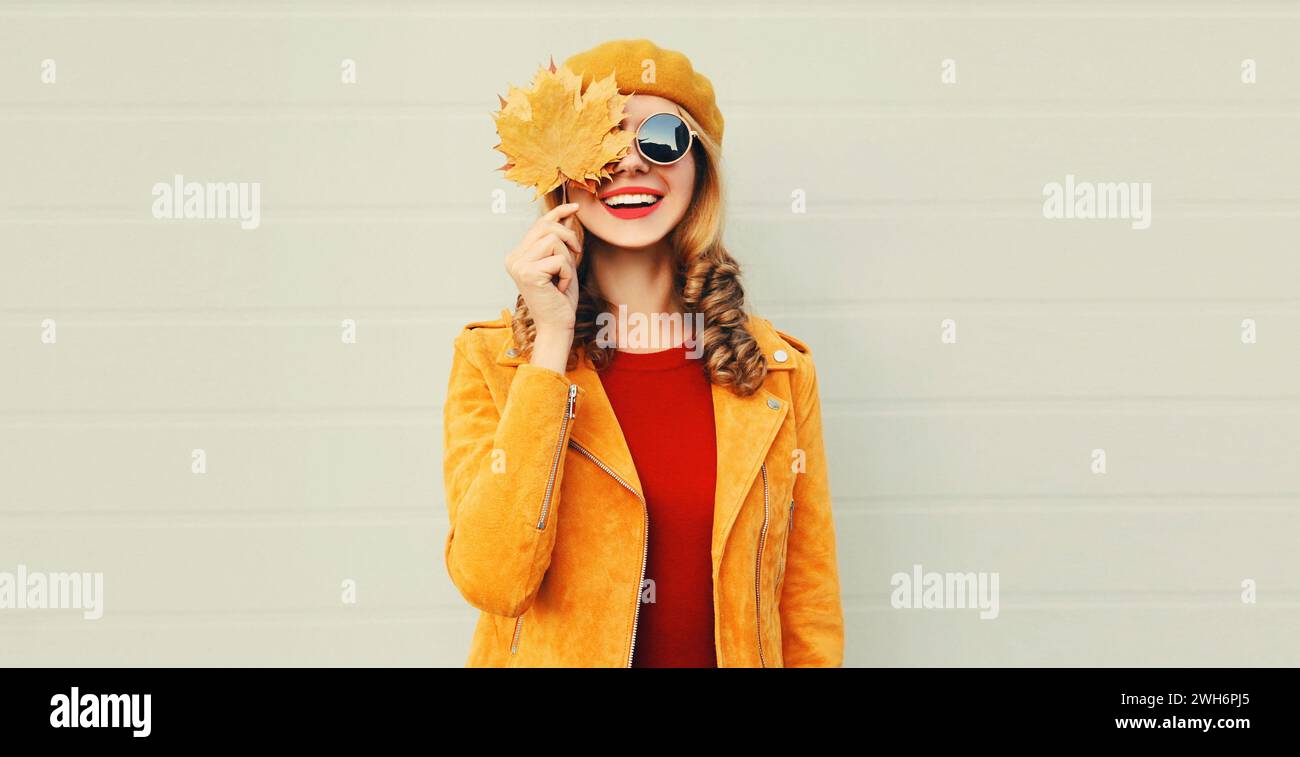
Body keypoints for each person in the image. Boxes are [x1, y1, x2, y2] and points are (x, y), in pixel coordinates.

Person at [442, 38, 844, 667]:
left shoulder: (778, 372)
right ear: (560, 171)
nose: (630, 163)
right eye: (602, 138)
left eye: (661, 137)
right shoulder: (494, 362)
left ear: (700, 167)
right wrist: (550, 343)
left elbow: (807, 605)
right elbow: (494, 580)